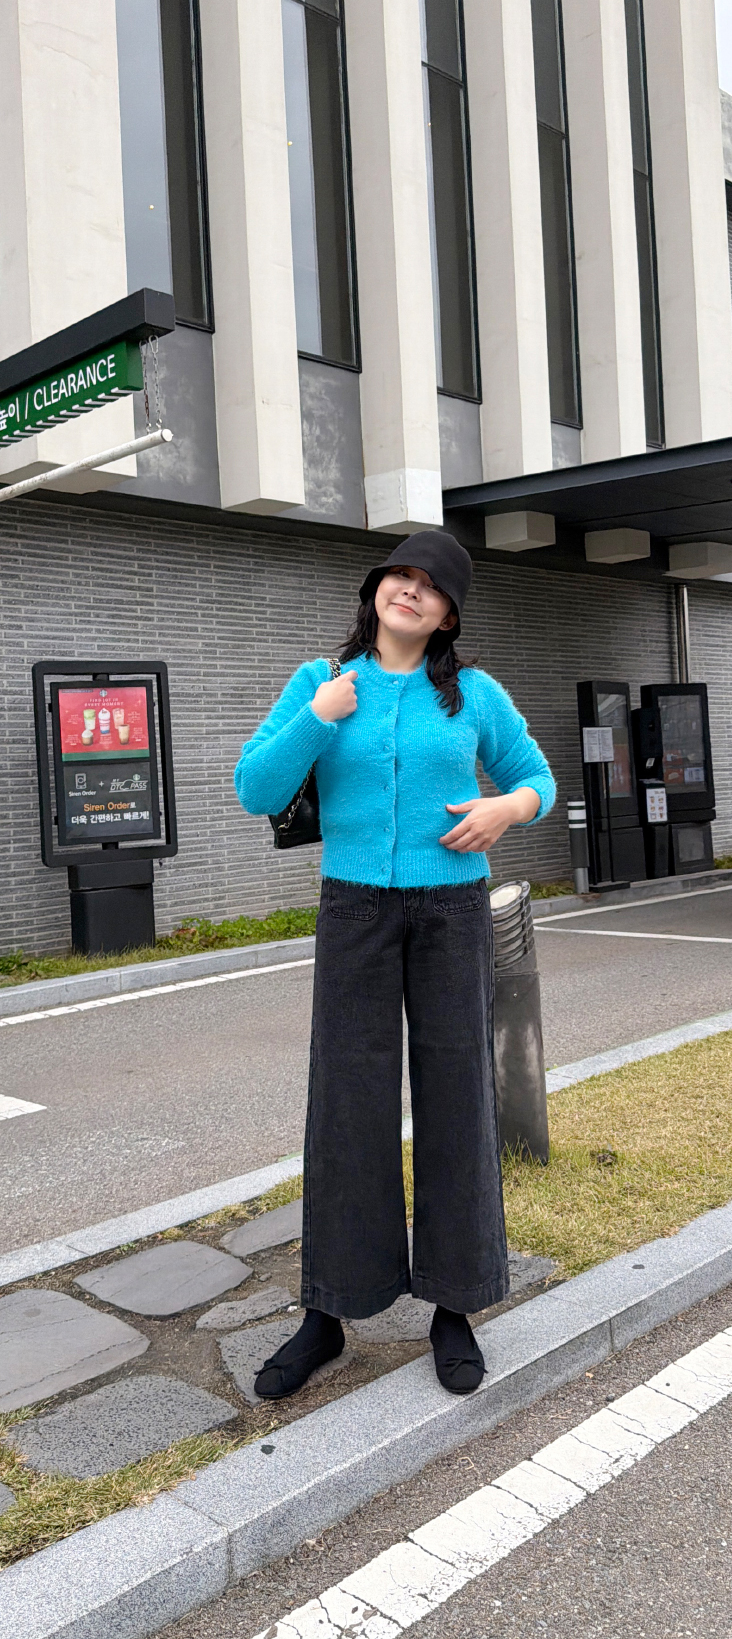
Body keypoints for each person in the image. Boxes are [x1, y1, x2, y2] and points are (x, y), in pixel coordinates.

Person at [234, 531, 555, 1399]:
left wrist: (506, 809)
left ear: (448, 614)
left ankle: (455, 1304)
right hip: (354, 910)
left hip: (452, 911)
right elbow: (256, 788)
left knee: (458, 1097)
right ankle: (328, 1312)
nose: (409, 591)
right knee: (347, 1103)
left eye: (429, 585)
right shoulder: (322, 682)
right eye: (399, 577)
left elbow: (536, 778)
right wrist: (317, 717)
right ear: (376, 591)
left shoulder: (475, 694)